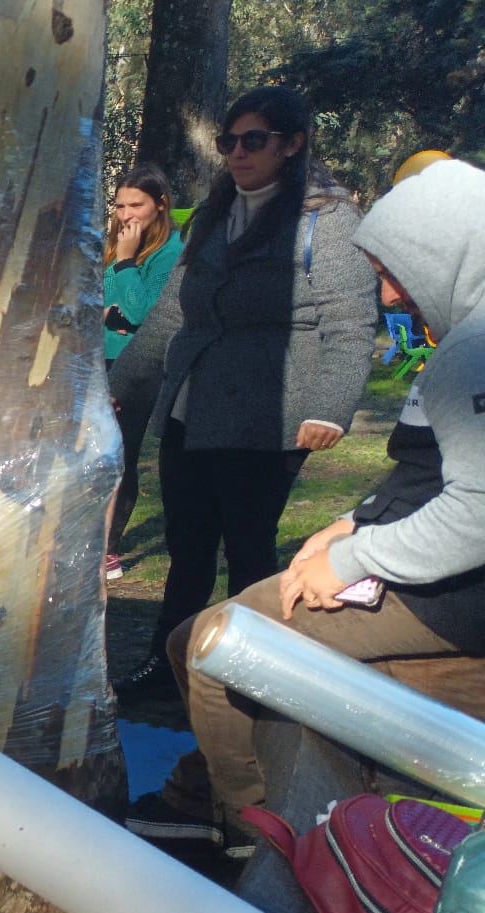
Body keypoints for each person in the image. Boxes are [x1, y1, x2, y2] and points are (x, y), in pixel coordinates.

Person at [127, 158, 485, 845]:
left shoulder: (471, 352)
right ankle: (204, 797)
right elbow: (425, 474)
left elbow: (474, 511)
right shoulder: (463, 346)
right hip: (420, 569)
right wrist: (348, 522)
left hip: (450, 597)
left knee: (217, 645)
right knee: (186, 638)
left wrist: (355, 559)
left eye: (394, 273)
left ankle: (261, 839)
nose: (387, 298)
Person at [113, 87, 379, 694]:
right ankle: (167, 666)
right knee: (187, 546)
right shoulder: (215, 210)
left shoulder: (327, 220)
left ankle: (246, 676)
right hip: (191, 408)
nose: (237, 152)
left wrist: (331, 410)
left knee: (248, 550)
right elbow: (171, 314)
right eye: (228, 141)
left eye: (253, 140)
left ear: (292, 144)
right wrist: (120, 384)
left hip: (270, 413)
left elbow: (348, 322)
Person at [101, 165, 183, 581]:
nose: (127, 214)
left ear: (160, 205)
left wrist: (129, 261)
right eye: (120, 205)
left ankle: (108, 550)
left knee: (119, 454)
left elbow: (142, 313)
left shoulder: (172, 253)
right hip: (98, 359)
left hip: (138, 366)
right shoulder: (111, 245)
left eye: (137, 205)